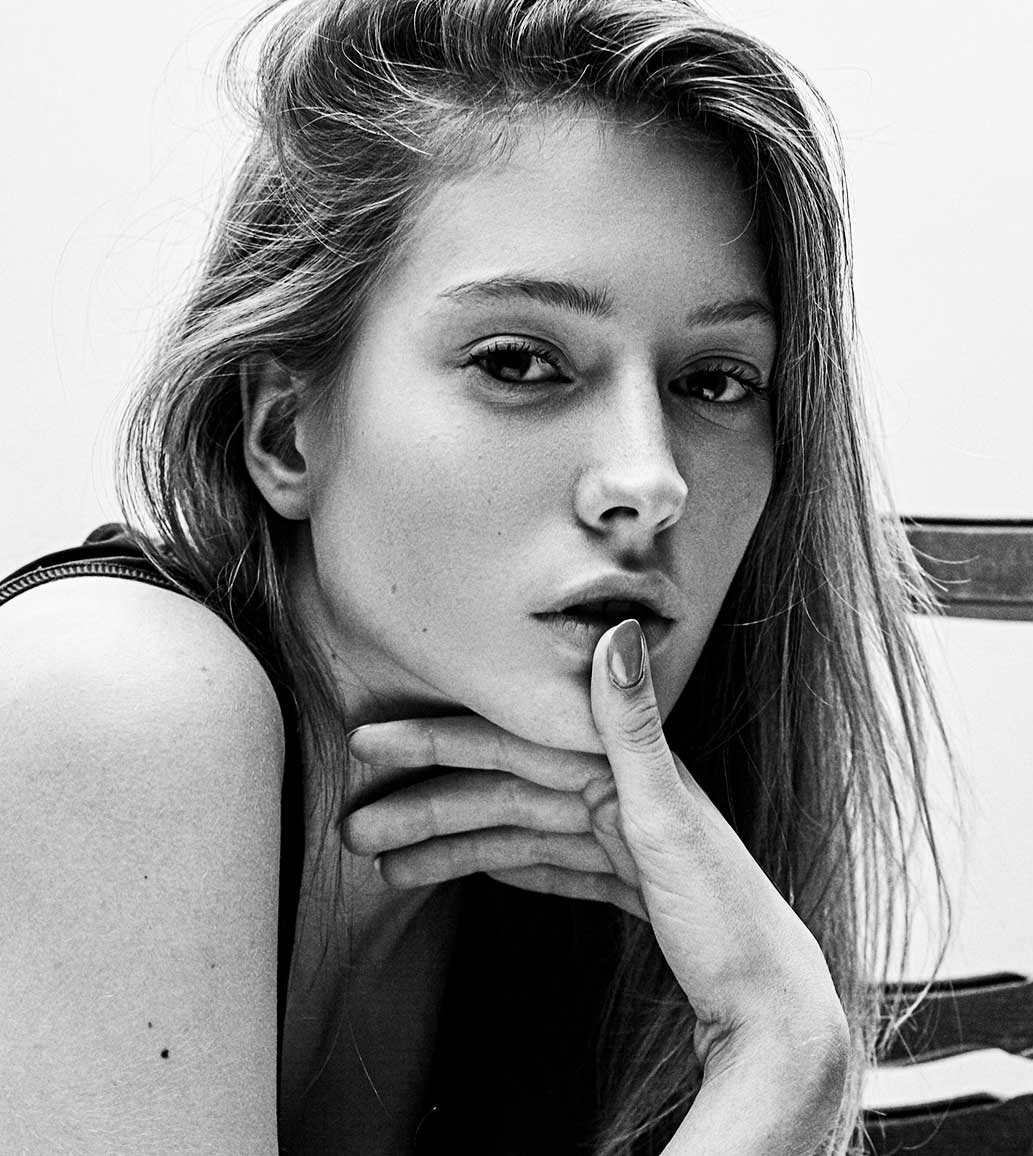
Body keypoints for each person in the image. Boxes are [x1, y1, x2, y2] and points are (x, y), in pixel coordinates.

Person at [0, 0, 944, 1152]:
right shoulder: (115, 695)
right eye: (519, 361)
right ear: (287, 431)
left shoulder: (610, 879)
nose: (651, 480)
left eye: (715, 381)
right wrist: (782, 1055)